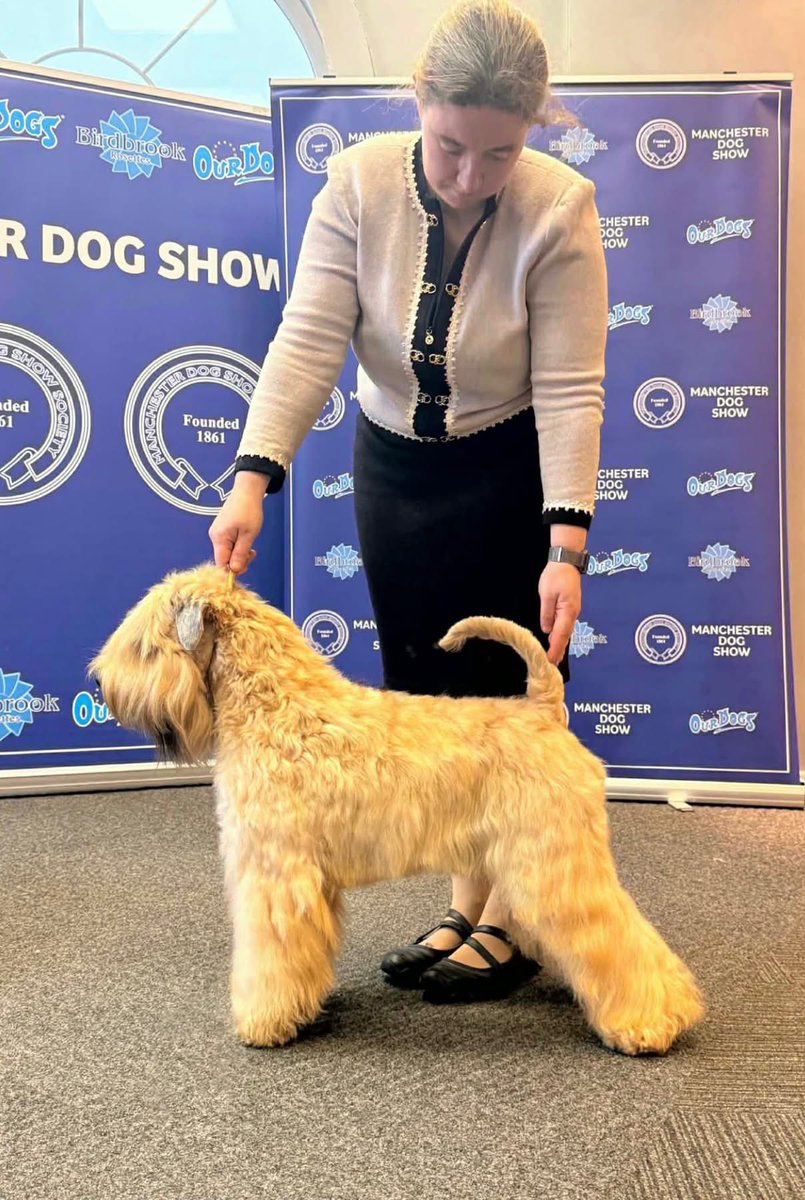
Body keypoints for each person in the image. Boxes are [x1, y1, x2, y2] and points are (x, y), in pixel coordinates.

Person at [209, 0, 608, 1005]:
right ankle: (465, 904)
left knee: (506, 711)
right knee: (427, 698)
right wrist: (253, 478)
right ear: (417, 104)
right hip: (394, 469)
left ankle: (510, 921)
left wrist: (566, 546)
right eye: (448, 147)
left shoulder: (561, 207)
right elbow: (307, 341)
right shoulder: (353, 183)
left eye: (498, 154)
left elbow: (568, 386)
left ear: (534, 133)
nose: (470, 177)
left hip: (506, 468)